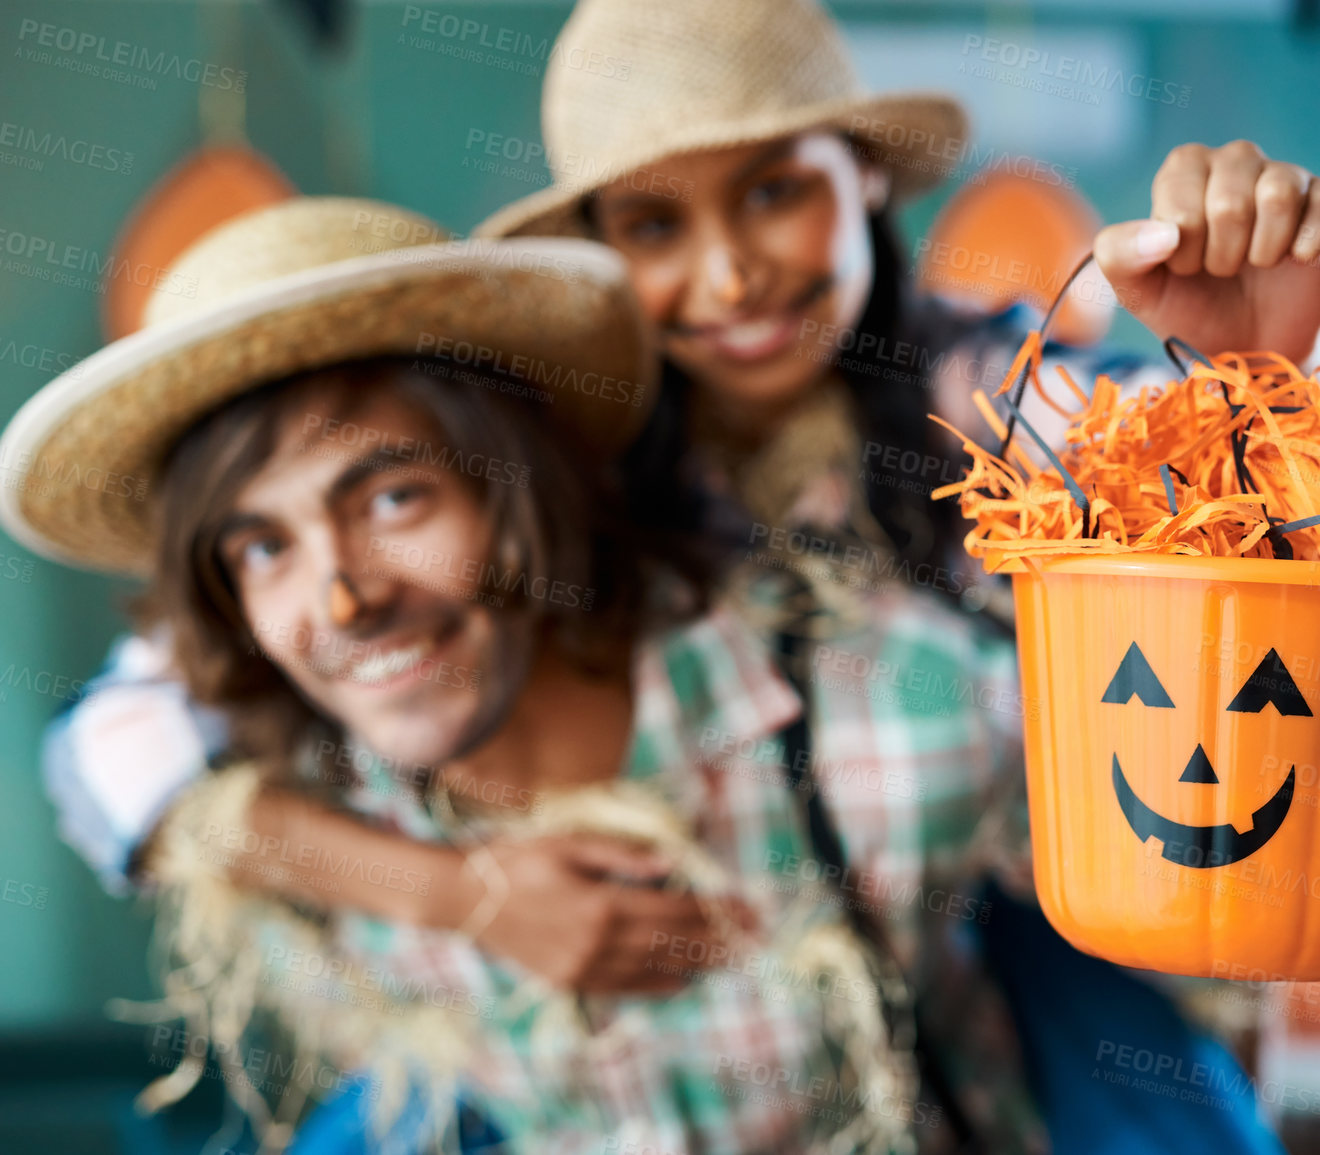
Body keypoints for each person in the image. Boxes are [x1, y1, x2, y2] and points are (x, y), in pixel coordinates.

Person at [42, 0, 1320, 1149]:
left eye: (775, 190)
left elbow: (1183, 481)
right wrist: (462, 892)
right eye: (654, 223)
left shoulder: (967, 387)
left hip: (974, 901)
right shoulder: (578, 449)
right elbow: (119, 738)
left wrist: (1251, 379)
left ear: (864, 186)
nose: (726, 274)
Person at [6, 197, 1034, 1154]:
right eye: (264, 548)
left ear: (520, 487)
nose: (342, 601)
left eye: (397, 499)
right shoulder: (320, 851)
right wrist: (462, 894)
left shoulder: (891, 709)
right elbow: (102, 761)